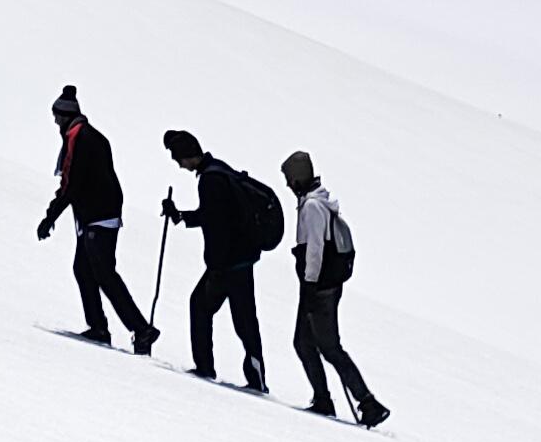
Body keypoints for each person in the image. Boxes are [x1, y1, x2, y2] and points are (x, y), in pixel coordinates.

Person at [36, 85, 158, 350]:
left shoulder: (80, 138)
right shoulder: (83, 136)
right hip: (98, 214)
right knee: (85, 269)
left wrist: (50, 217)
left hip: (98, 216)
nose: (55, 121)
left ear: (67, 116)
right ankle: (101, 327)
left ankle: (139, 329)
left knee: (102, 272)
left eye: (57, 116)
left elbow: (72, 183)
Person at [158, 130, 272, 394]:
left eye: (178, 159)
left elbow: (218, 224)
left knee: (224, 313)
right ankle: (253, 377)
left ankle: (211, 369)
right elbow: (212, 215)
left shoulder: (210, 180)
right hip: (239, 258)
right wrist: (181, 216)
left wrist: (216, 264)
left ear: (188, 155)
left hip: (229, 262)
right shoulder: (218, 171)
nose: (178, 164)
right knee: (238, 317)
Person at [281, 150, 387, 426]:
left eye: (289, 178)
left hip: (319, 288)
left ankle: (366, 402)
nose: (288, 184)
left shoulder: (313, 208)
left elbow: (314, 250)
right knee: (306, 343)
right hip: (325, 286)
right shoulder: (318, 203)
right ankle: (325, 398)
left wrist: (309, 284)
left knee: (328, 347)